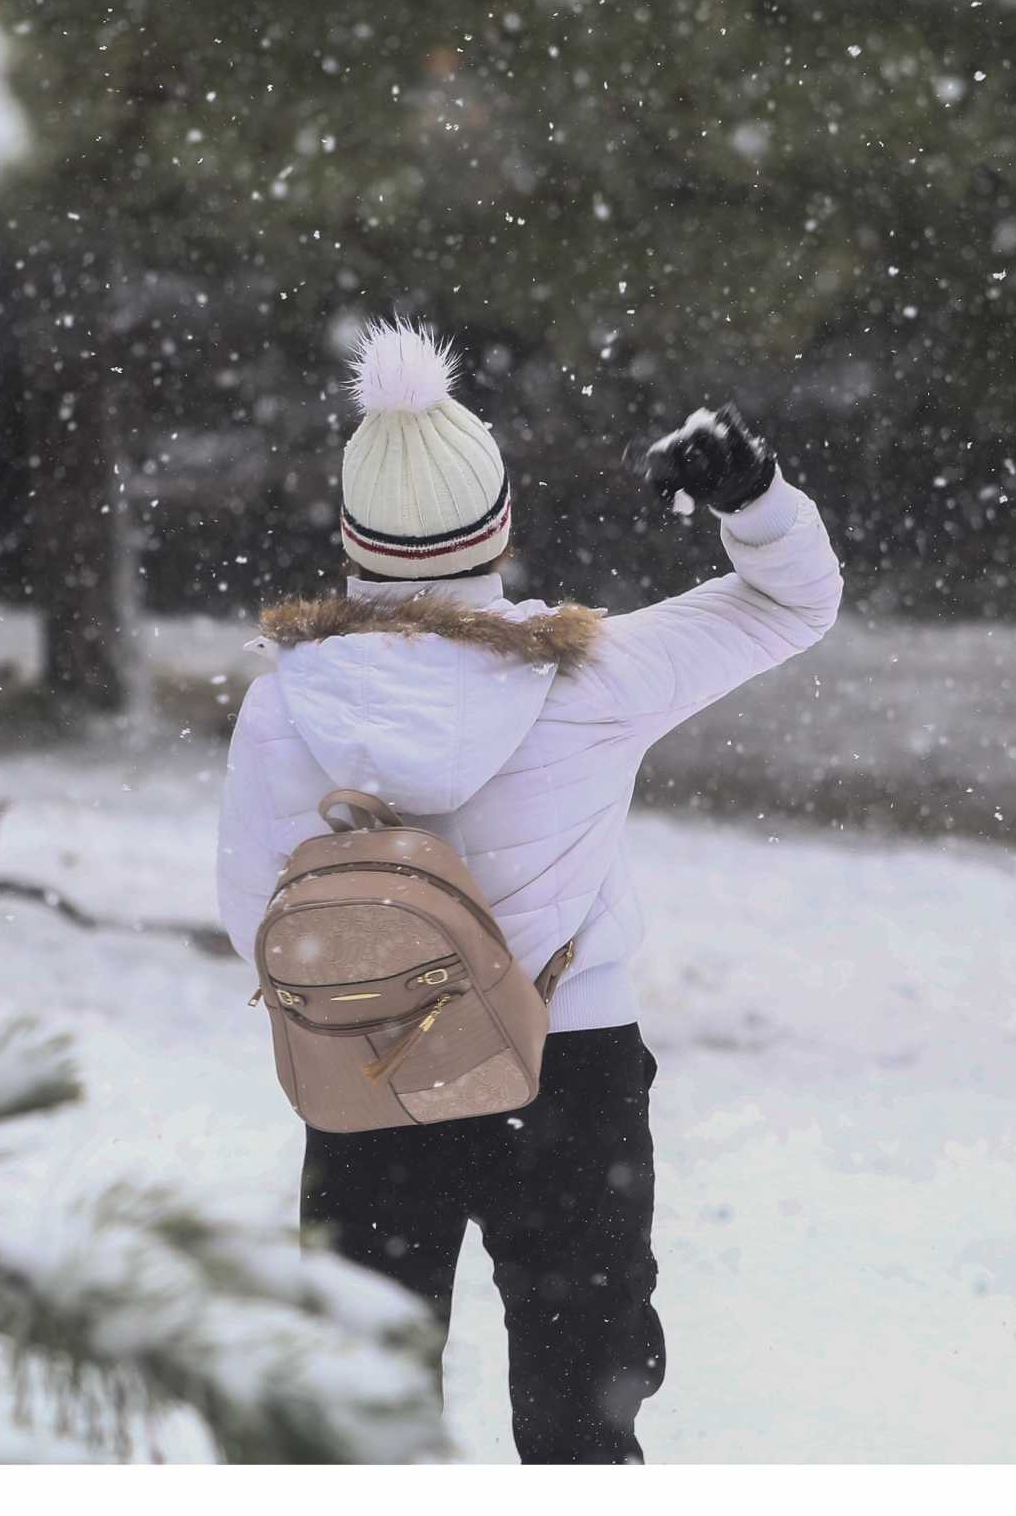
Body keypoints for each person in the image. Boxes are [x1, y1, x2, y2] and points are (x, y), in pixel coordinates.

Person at [216, 319, 842, 1463]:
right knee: (578, 1399)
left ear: (352, 534)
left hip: (364, 1067)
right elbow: (790, 604)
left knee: (358, 1409)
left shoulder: (287, 705)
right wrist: (751, 500)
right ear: (497, 526)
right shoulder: (599, 673)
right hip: (569, 1068)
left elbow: (249, 912)